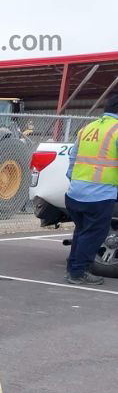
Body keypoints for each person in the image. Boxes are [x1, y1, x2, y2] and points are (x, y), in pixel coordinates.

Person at [64, 92, 118, 285]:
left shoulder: (88, 128)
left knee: (81, 232)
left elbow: (73, 158)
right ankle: (78, 273)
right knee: (94, 234)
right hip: (100, 195)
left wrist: (75, 180)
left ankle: (73, 268)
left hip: (75, 193)